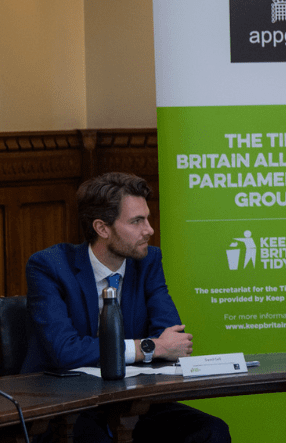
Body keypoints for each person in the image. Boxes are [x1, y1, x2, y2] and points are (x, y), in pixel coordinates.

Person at [22, 172, 231, 443]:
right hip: (65, 408)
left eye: (147, 218)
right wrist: (149, 347)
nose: (149, 230)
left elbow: (173, 337)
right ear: (102, 228)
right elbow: (65, 351)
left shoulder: (148, 261)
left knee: (210, 432)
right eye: (137, 221)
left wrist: (160, 346)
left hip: (130, 401)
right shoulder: (50, 266)